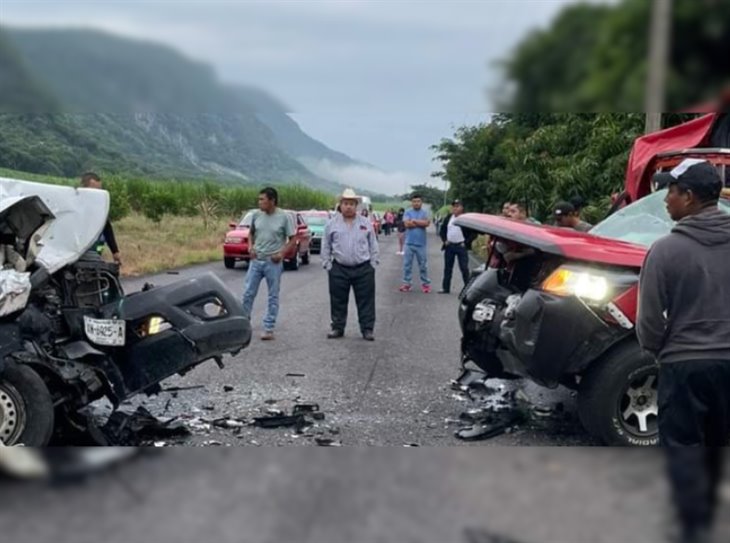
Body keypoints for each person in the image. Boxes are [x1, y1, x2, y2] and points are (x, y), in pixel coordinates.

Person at [637, 159, 730, 543]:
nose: (665, 200)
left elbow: (648, 322)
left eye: (671, 191)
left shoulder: (665, 250)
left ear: (689, 197)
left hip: (684, 363)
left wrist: (662, 351)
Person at [321, 188, 379, 341]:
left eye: (351, 204)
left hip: (363, 268)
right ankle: (338, 328)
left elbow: (373, 243)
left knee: (366, 300)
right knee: (338, 300)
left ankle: (367, 329)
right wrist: (327, 264)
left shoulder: (366, 223)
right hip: (339, 268)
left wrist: (373, 263)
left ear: (356, 206)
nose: (348, 207)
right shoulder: (331, 224)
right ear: (340, 205)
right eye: (345, 203)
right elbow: (326, 245)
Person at [241, 187, 296, 341]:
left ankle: (269, 327)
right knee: (248, 293)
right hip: (256, 259)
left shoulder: (284, 217)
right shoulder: (256, 215)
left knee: (273, 295)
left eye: (262, 200)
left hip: (273, 261)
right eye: (259, 199)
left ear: (272, 201)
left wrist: (282, 253)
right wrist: (250, 247)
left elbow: (292, 239)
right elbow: (251, 232)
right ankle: (244, 324)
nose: (259, 202)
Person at [79, 172, 122, 266]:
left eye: (99, 191)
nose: (98, 194)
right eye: (94, 191)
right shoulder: (73, 206)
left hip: (95, 255)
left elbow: (107, 227)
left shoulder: (98, 208)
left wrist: (115, 252)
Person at [438, 199, 476, 294]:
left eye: (458, 206)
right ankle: (445, 288)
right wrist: (445, 240)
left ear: (462, 208)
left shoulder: (466, 219)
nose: (455, 208)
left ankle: (467, 289)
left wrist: (466, 242)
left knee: (464, 268)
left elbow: (473, 233)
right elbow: (442, 229)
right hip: (450, 245)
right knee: (447, 268)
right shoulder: (449, 217)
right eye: (454, 206)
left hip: (461, 246)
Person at [399, 193, 431, 293]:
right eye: (414, 202)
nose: (416, 203)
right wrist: (419, 223)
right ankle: (407, 284)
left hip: (421, 244)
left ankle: (425, 284)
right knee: (407, 265)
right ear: (411, 203)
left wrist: (414, 221)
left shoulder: (425, 212)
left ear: (421, 202)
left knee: (423, 265)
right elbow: (407, 224)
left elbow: (427, 223)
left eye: (418, 201)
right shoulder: (407, 212)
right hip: (409, 243)